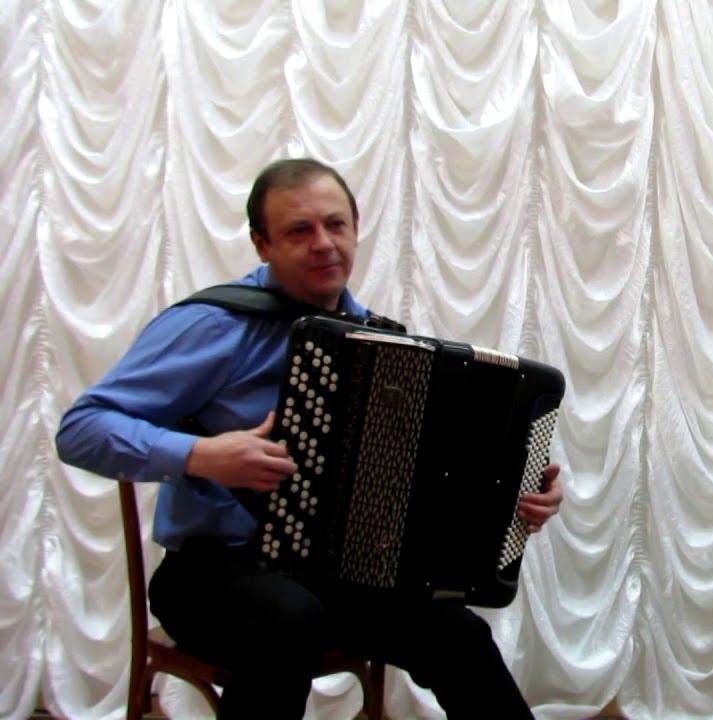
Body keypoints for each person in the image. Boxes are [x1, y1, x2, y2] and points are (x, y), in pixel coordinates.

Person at [57, 158, 563, 719]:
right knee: (288, 620)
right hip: (209, 575)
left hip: (338, 578)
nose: (323, 243)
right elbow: (82, 428)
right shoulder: (211, 325)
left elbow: (430, 478)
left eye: (335, 224)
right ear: (262, 244)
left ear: (355, 228)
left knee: (457, 634)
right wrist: (202, 455)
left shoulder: (383, 343)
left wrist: (513, 499)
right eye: (299, 230)